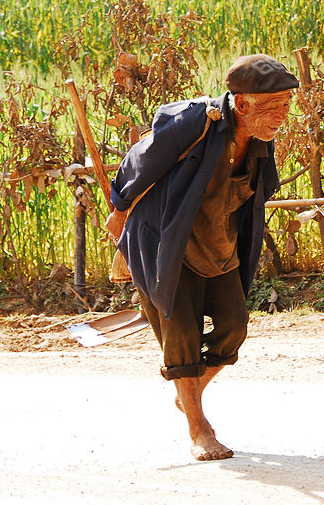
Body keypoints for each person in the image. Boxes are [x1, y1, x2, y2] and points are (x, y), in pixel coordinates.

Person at [105, 54, 298, 461]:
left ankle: (189, 391)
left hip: (220, 244)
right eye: (274, 105)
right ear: (241, 104)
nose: (283, 114)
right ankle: (199, 428)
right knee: (182, 339)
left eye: (286, 104)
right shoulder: (194, 122)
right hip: (167, 242)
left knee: (234, 327)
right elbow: (140, 161)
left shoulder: (261, 135)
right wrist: (120, 212)